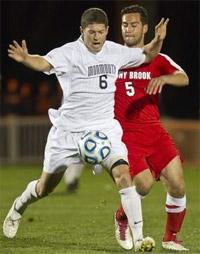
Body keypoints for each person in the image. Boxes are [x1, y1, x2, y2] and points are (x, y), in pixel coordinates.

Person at [3, 7, 168, 251]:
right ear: (82, 31)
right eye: (91, 32)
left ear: (107, 31)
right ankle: (19, 206)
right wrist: (27, 59)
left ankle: (139, 237)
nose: (97, 37)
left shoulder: (115, 51)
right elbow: (44, 62)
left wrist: (158, 39)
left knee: (124, 175)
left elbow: (147, 55)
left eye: (101, 32)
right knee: (44, 187)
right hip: (68, 133)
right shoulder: (68, 53)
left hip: (104, 129)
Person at [113, 4, 189, 251]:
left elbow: (184, 77)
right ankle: (122, 216)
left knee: (177, 184)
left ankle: (171, 238)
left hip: (154, 130)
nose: (128, 29)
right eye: (125, 24)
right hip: (126, 134)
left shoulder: (157, 59)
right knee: (143, 186)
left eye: (134, 24)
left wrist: (165, 78)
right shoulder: (112, 57)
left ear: (145, 27)